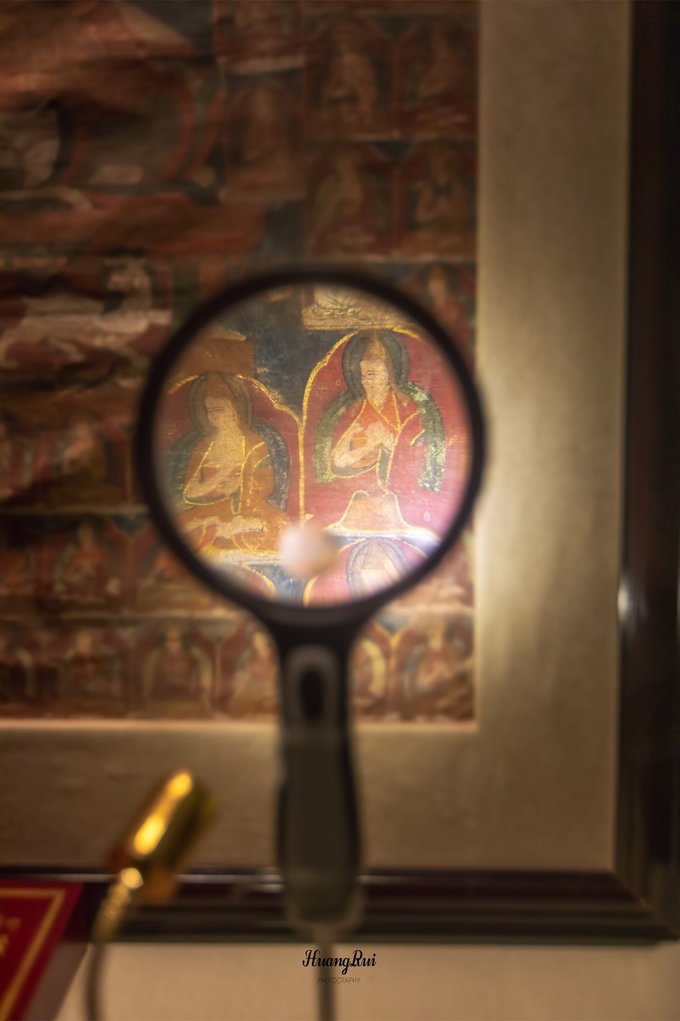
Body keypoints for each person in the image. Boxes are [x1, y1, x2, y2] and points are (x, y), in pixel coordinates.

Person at [312, 330, 447, 535]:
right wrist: (369, 444)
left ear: (388, 375)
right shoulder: (358, 412)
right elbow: (337, 461)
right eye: (363, 376)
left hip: (397, 501)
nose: (366, 382)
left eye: (372, 375)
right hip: (359, 497)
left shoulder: (410, 411)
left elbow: (415, 456)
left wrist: (389, 443)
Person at [170, 372, 290, 559]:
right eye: (209, 411)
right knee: (174, 528)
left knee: (279, 525)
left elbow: (267, 485)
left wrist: (240, 486)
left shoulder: (256, 445)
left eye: (219, 409)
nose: (213, 416)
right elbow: (190, 493)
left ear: (235, 408)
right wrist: (220, 478)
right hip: (207, 510)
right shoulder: (204, 445)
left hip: (247, 510)